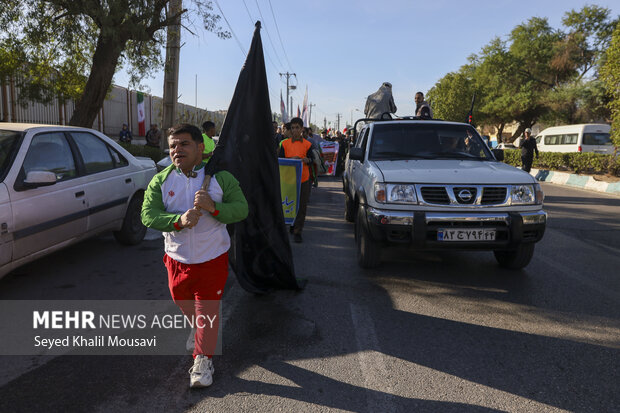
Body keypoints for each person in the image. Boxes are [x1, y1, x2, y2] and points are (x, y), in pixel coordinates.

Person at [141, 123, 248, 388]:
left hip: (212, 259)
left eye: (184, 144)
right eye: (173, 146)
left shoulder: (221, 178)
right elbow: (147, 214)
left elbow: (242, 209)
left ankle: (203, 360)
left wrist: (214, 207)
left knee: (207, 314)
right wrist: (178, 219)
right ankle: (197, 328)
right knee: (182, 302)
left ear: (201, 147)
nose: (177, 150)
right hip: (177, 260)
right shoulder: (161, 179)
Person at [278, 117, 314, 243]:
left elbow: (312, 160)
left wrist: (307, 160)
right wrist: (292, 159)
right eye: (292, 128)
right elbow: (280, 160)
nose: (294, 130)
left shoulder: (307, 144)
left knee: (301, 206)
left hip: (303, 179)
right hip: (288, 180)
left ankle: (298, 231)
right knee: (285, 204)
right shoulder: (284, 144)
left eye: (297, 128)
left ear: (302, 129)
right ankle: (285, 228)